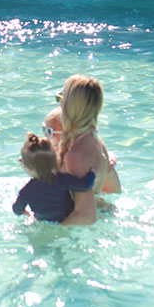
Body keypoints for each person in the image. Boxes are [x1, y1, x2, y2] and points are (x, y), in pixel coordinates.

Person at [55, 75, 122, 226]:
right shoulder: (97, 141)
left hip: (78, 233)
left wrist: (52, 233)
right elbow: (112, 189)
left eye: (60, 98)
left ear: (69, 106)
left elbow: (86, 214)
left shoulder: (75, 155)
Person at [12, 132, 96, 223]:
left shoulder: (26, 191)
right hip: (65, 219)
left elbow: (17, 210)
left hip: (43, 222)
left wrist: (27, 214)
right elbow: (85, 185)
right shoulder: (62, 180)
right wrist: (92, 173)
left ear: (29, 168)